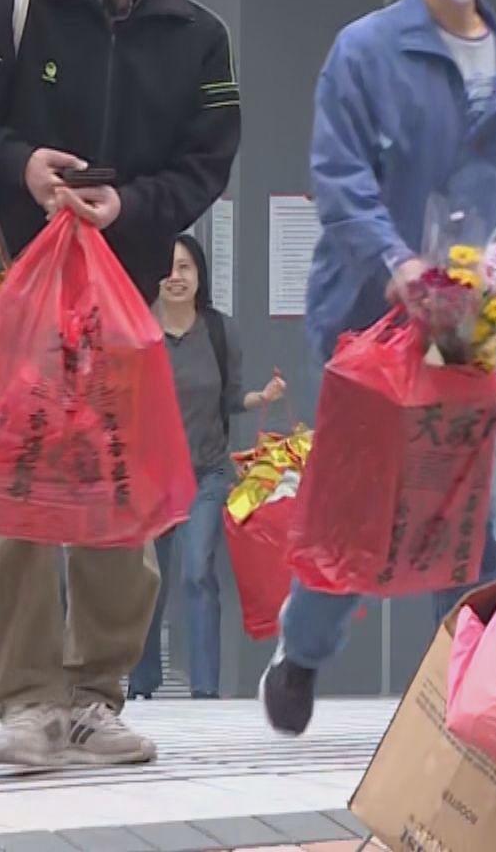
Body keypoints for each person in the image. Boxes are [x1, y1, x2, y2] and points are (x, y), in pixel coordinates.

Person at [0, 0, 240, 769]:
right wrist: (25, 167)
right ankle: (24, 700)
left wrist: (129, 204)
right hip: (12, 293)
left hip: (121, 298)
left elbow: (206, 165)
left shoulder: (201, 35)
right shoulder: (17, 3)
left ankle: (97, 696)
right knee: (16, 497)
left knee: (115, 491)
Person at [260, 0, 496, 738]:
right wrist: (398, 268)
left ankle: (461, 701)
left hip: (472, 333)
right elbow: (340, 176)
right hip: (371, 323)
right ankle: (304, 650)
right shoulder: (367, 49)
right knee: (364, 508)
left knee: (469, 517)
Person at [127, 236, 286, 701]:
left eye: (185, 268)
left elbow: (230, 396)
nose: (176, 277)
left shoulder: (219, 330)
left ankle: (204, 689)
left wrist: (260, 398)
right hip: (150, 478)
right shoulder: (138, 329)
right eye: (168, 268)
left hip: (206, 474)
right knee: (146, 581)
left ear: (199, 277)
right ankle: (142, 681)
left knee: (197, 570)